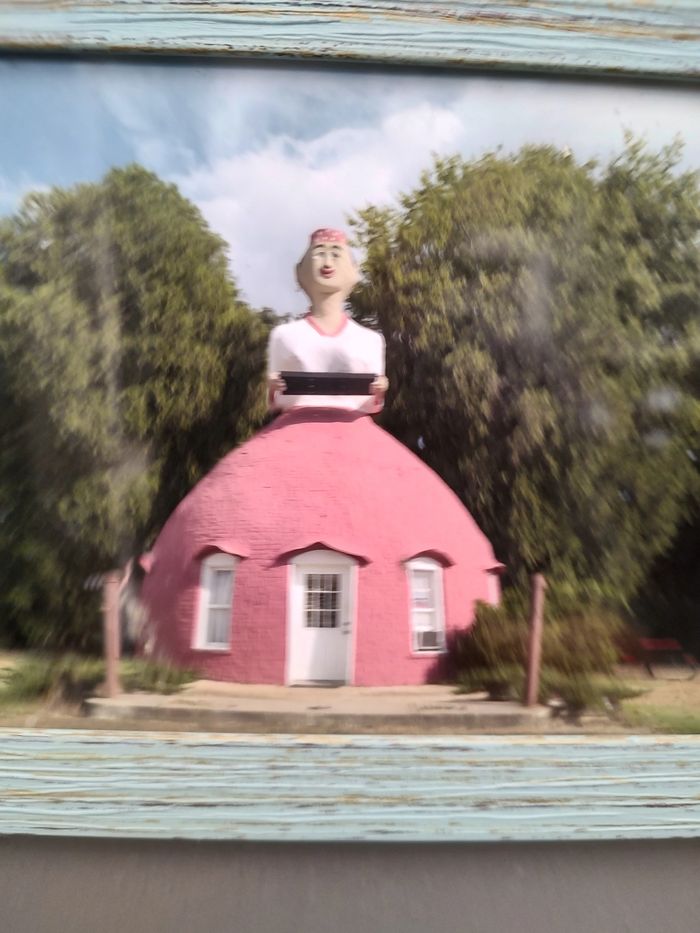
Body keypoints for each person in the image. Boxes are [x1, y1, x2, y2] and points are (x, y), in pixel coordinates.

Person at [267, 228, 388, 414]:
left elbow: (374, 403)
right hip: (296, 425)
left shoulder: (370, 339)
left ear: (354, 271)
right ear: (299, 271)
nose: (328, 263)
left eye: (336, 255)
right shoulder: (283, 335)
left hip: (353, 426)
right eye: (320, 254)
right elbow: (273, 400)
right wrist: (273, 386)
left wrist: (380, 387)